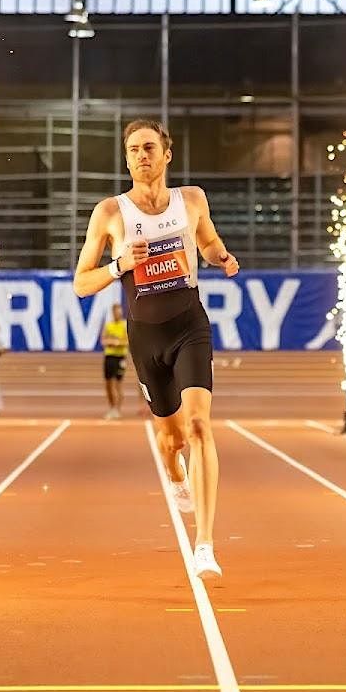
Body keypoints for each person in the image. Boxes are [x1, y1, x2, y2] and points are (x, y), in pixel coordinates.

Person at [72, 119, 239, 581]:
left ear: (167, 155)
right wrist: (120, 264)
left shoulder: (192, 200)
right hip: (145, 339)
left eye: (149, 147)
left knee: (201, 425)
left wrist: (222, 258)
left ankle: (204, 544)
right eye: (132, 150)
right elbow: (81, 284)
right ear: (126, 160)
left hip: (190, 325)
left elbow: (207, 242)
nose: (141, 155)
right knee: (172, 441)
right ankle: (175, 473)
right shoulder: (110, 212)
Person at [101, 302, 128, 420]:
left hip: (120, 358)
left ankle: (118, 409)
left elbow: (126, 341)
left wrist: (115, 343)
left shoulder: (124, 325)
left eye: (119, 311)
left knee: (118, 385)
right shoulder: (108, 325)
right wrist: (113, 342)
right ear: (113, 313)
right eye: (116, 312)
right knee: (108, 385)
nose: (118, 313)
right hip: (109, 357)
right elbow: (103, 340)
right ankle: (111, 408)